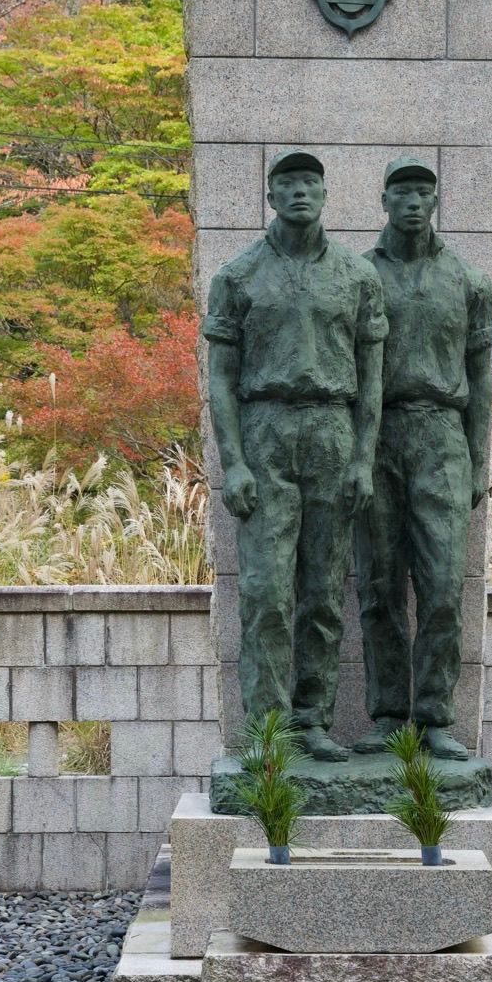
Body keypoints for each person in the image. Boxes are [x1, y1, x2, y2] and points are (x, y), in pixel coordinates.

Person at [202, 149, 386, 762]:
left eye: (310, 181)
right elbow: (221, 380)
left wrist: (363, 458)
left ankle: (313, 718)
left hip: (333, 429)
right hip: (266, 430)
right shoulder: (237, 275)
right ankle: (268, 729)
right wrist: (233, 461)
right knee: (264, 590)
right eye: (288, 182)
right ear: (271, 194)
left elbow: (372, 375)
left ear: (325, 192)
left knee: (324, 590)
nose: (300, 191)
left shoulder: (358, 277)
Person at [353, 155, 492, 762]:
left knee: (441, 586)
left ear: (435, 201)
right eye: (402, 191)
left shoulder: (467, 280)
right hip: (377, 435)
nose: (413, 201)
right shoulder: (357, 277)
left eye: (423, 191)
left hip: (442, 437)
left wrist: (480, 457)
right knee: (380, 585)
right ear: (383, 200)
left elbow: (481, 374)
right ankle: (388, 713)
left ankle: (435, 715)